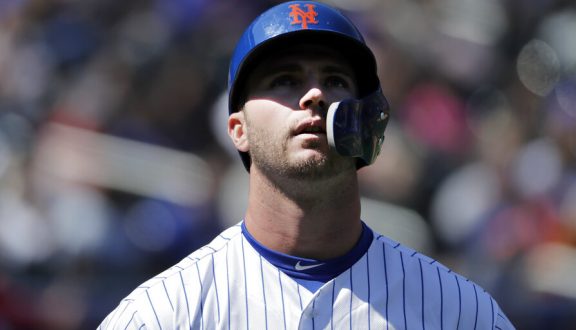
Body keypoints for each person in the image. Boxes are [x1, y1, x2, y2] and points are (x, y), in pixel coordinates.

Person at [98, 1, 515, 329]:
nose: (314, 94)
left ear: (368, 120)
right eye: (284, 81)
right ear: (237, 129)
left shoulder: (460, 313)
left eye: (335, 80)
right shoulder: (162, 315)